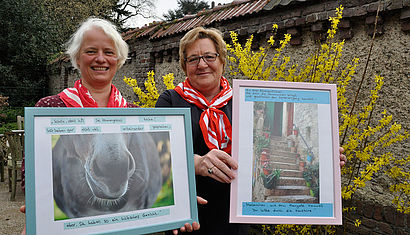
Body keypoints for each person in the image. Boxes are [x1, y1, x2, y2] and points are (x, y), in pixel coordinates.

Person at [155, 27, 347, 234]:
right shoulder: (170, 100)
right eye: (193, 59)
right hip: (190, 215)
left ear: (221, 61)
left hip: (235, 218)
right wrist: (197, 163)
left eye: (209, 56)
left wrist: (324, 162)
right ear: (184, 66)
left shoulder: (244, 101)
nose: (202, 64)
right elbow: (156, 158)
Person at [20, 17, 202, 235]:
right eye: (90, 51)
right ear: (77, 58)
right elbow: (30, 174)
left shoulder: (134, 114)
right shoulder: (50, 108)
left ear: (119, 59)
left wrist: (183, 203)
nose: (100, 59)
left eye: (108, 52)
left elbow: (159, 172)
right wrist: (37, 206)